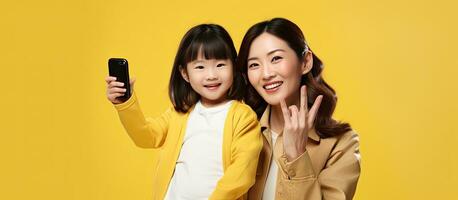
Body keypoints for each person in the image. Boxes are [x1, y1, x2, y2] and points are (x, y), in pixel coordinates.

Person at [105, 24, 262, 200]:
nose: (211, 75)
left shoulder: (243, 117)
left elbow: (242, 173)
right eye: (200, 67)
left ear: (234, 67)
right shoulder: (179, 114)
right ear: (185, 73)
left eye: (220, 65)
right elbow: (145, 136)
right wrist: (125, 102)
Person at [236, 18, 361, 199]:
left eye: (276, 58)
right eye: (254, 64)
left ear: (305, 62)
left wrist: (296, 156)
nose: (266, 74)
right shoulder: (240, 132)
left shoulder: (342, 143)